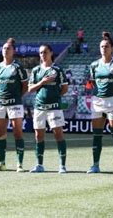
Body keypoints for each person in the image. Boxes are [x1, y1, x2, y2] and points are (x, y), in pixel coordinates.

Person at [87, 32, 113, 175]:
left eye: (106, 46)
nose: (103, 49)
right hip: (97, 102)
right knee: (97, 135)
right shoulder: (94, 65)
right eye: (101, 46)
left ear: (112, 48)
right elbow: (92, 82)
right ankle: (95, 165)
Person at [28, 44, 69, 174]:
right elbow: (30, 89)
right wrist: (42, 82)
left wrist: (55, 97)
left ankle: (62, 165)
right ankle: (39, 165)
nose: (43, 55)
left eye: (45, 52)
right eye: (40, 53)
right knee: (38, 135)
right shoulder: (35, 70)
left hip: (54, 107)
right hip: (39, 107)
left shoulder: (57, 70)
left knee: (58, 134)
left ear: (51, 53)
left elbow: (64, 88)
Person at [0, 38, 28, 172]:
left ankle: (19, 164)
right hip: (0, 103)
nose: (5, 50)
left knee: (17, 133)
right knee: (0, 134)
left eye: (8, 48)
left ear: (14, 51)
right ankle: (2, 163)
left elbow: (25, 86)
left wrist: (17, 97)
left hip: (15, 104)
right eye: (4, 48)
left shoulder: (18, 67)